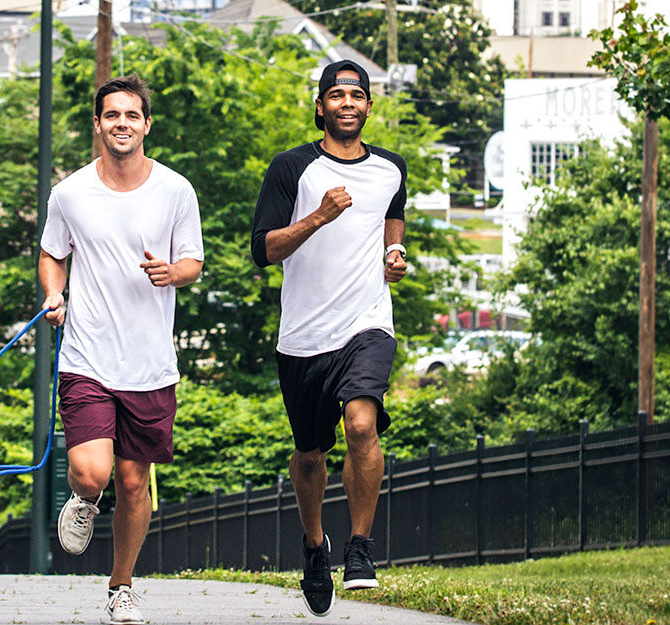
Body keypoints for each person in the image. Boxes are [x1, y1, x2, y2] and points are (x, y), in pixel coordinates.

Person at [248, 59, 411, 617]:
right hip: (303, 335)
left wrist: (395, 252)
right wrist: (317, 217)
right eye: (336, 95)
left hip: (367, 321)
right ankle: (315, 545)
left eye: (356, 95)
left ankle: (360, 549)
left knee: (362, 421)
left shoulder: (392, 168)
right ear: (320, 107)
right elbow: (263, 249)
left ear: (368, 106)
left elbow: (393, 213)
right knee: (310, 455)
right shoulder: (291, 168)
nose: (347, 103)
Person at [39, 74, 204, 625]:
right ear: (98, 124)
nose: (122, 124)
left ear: (147, 124)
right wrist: (54, 294)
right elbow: (51, 253)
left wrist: (171, 272)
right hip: (87, 357)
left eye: (132, 115)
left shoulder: (176, 191)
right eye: (112, 115)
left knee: (135, 482)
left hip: (151, 364)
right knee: (93, 472)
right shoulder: (70, 193)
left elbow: (194, 264)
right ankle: (84, 499)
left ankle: (121, 585)